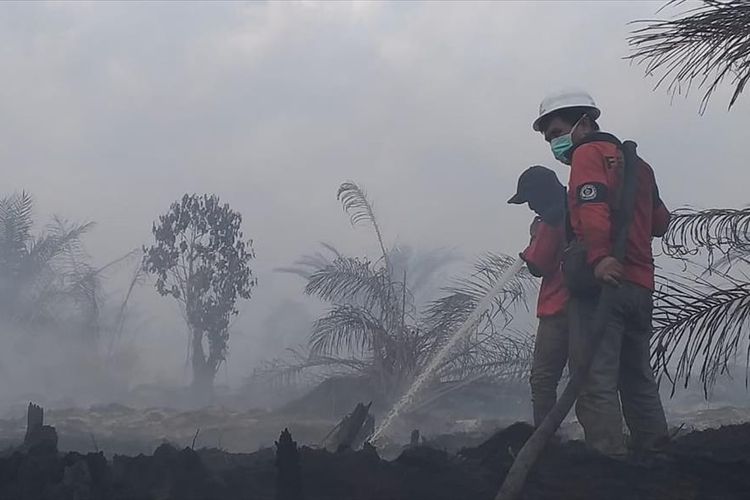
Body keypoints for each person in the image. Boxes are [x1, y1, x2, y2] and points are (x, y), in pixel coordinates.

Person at [532, 89, 671, 456]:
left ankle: (607, 466)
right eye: (549, 139)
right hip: (641, 287)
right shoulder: (639, 165)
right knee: (638, 377)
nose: (555, 143)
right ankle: (655, 454)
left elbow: (591, 208)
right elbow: (661, 222)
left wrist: (599, 258)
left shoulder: (587, 154)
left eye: (557, 132)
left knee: (596, 380)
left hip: (603, 286)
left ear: (585, 122)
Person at [508, 165, 569, 427]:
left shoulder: (551, 219)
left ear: (543, 193)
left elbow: (538, 265)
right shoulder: (577, 207)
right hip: (588, 306)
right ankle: (604, 444)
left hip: (558, 308)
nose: (531, 207)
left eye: (531, 199)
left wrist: (534, 237)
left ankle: (545, 440)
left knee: (543, 379)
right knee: (591, 380)